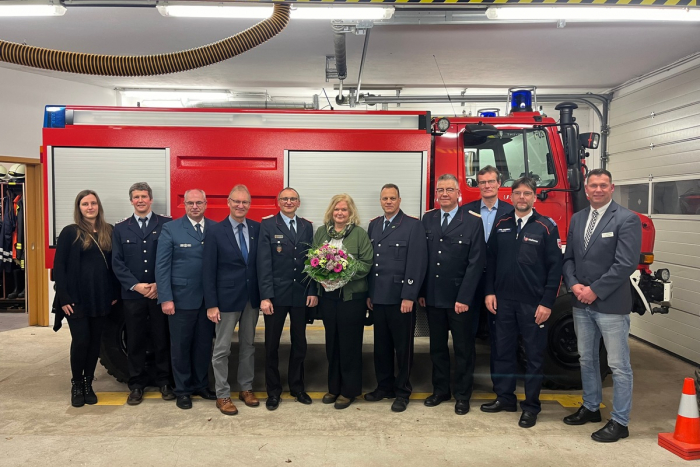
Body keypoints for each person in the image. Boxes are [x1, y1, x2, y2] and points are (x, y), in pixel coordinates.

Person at [562, 169, 642, 442]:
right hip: (580, 301)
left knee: (618, 365)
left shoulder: (627, 219)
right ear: (586, 190)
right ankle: (591, 407)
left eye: (603, 185)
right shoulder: (578, 218)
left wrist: (594, 290)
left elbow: (625, 263)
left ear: (612, 188)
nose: (597, 189)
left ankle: (620, 422)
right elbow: (569, 258)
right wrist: (573, 285)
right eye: (593, 185)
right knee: (587, 358)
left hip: (609, 304)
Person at [481, 177, 562, 428]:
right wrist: (490, 292)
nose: (522, 198)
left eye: (527, 193)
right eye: (517, 193)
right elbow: (491, 261)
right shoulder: (502, 224)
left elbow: (555, 268)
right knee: (502, 352)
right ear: (511, 196)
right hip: (503, 302)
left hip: (533, 305)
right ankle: (504, 398)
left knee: (533, 357)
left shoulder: (546, 227)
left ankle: (531, 406)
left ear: (534, 197)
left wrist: (547, 302)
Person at [418, 174, 485, 415]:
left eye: (450, 189)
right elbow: (423, 259)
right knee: (437, 347)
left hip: (460, 299)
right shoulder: (429, 219)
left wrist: (464, 298)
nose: (444, 193)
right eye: (440, 190)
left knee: (463, 349)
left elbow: (476, 263)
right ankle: (440, 390)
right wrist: (423, 291)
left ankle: (463, 395)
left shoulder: (472, 221)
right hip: (434, 297)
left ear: (459, 194)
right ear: (436, 194)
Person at [365, 184, 427, 413]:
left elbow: (417, 263)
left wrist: (409, 295)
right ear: (380, 201)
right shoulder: (374, 225)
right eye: (384, 198)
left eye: (392, 198)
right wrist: (370, 293)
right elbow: (373, 264)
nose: (388, 201)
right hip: (379, 298)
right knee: (381, 347)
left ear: (400, 200)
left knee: (403, 348)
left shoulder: (412, 225)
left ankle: (402, 391)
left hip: (401, 299)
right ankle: (384, 387)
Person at [53, 190, 118, 407]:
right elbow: (59, 267)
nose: (90, 207)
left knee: (94, 343)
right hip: (76, 299)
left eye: (93, 203)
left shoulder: (109, 231)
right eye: (85, 204)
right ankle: (76, 384)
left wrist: (114, 293)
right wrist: (64, 298)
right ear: (78, 208)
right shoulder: (70, 232)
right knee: (81, 341)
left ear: (98, 206)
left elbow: (114, 267)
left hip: (101, 296)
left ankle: (88, 383)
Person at [112, 182, 174, 405]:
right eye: (136, 197)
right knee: (135, 340)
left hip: (159, 293)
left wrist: (159, 284)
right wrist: (136, 286)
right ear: (131, 200)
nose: (140, 200)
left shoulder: (166, 224)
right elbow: (117, 263)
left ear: (151, 200)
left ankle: (165, 381)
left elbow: (172, 257)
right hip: (133, 295)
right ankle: (136, 384)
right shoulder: (120, 228)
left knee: (162, 338)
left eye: (144, 196)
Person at [155, 189, 217, 410]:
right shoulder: (170, 229)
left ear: (206, 203)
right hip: (180, 300)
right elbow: (162, 266)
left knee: (203, 345)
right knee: (181, 346)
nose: (195, 206)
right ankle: (183, 390)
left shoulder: (215, 228)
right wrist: (166, 298)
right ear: (184, 205)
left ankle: (201, 385)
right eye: (190, 203)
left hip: (207, 301)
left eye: (199, 202)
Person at [257, 187, 318, 410]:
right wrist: (265, 297)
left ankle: (297, 387)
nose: (289, 202)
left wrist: (312, 290)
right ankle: (273, 391)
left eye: (293, 199)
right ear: (278, 202)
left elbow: (313, 261)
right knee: (271, 345)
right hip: (276, 295)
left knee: (299, 343)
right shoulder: (268, 225)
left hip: (300, 294)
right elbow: (263, 264)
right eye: (285, 199)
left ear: (298, 203)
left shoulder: (306, 226)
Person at [203, 184, 261, 416]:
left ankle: (246, 388)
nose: (240, 205)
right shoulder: (216, 231)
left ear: (249, 204)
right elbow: (208, 271)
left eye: (244, 202)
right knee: (222, 349)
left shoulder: (257, 229)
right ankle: (222, 394)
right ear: (228, 202)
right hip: (225, 300)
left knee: (248, 345)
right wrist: (211, 304)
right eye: (236, 201)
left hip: (251, 299)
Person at [313, 194, 373, 410]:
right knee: (332, 344)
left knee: (350, 345)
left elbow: (367, 263)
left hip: (351, 299)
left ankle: (349, 391)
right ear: (331, 211)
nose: (339, 213)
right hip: (329, 299)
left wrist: (345, 272)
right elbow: (312, 260)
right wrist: (323, 272)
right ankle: (334, 387)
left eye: (344, 210)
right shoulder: (321, 232)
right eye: (336, 209)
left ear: (351, 213)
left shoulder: (359, 234)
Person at [462, 165, 513, 347]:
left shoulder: (511, 212)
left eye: (491, 181)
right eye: (482, 182)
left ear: (499, 183)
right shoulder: (466, 211)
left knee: (499, 328)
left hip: (499, 277)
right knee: (468, 327)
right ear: (478, 185)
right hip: (471, 277)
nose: (487, 185)